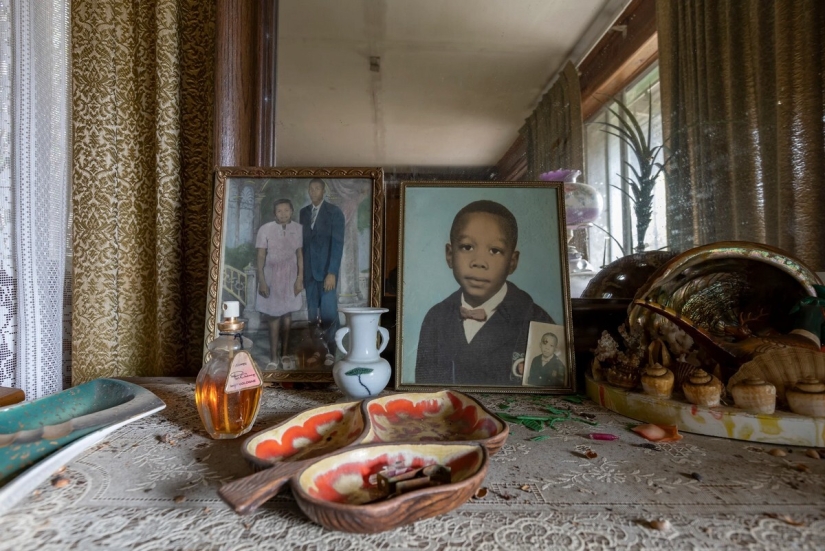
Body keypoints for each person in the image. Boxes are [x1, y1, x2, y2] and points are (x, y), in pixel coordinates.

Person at [416, 200, 554, 386]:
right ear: (450, 255)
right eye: (467, 247)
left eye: (494, 251)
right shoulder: (435, 318)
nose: (479, 262)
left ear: (512, 262)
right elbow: (425, 388)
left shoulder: (537, 321)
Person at [256, 198, 304, 368]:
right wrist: (262, 281)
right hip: (271, 276)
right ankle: (273, 357)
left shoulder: (298, 229)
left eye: (286, 210)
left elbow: (299, 256)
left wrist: (299, 279)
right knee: (273, 316)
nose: (283, 214)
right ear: (274, 213)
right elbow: (261, 257)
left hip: (291, 276)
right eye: (279, 211)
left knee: (287, 316)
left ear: (292, 211)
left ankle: (284, 355)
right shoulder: (265, 229)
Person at [299, 178, 345, 355]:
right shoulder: (303, 213)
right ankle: (317, 350)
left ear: (323, 191)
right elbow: (302, 244)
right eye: (311, 189)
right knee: (312, 313)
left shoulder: (334, 212)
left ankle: (332, 351)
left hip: (327, 272)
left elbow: (337, 244)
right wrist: (301, 272)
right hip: (309, 272)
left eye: (317, 188)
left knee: (328, 312)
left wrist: (332, 272)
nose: (313, 192)